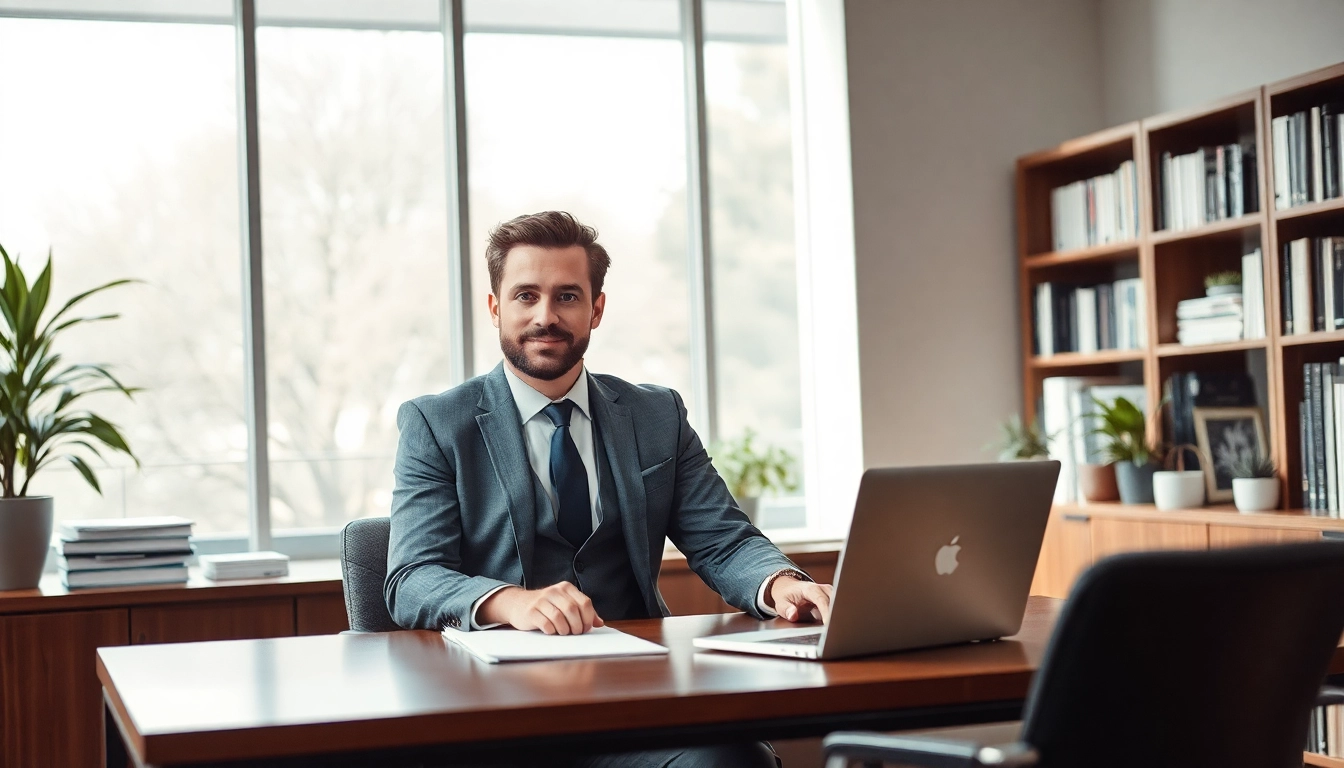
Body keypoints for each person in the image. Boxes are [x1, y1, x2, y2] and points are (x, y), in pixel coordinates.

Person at [386, 210, 832, 767]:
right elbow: (411, 578)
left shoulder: (656, 415)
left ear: (596, 309)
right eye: (526, 296)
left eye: (567, 297)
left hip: (637, 701)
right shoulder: (436, 425)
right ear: (496, 307)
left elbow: (723, 539)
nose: (545, 316)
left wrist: (780, 583)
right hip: (497, 712)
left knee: (734, 758)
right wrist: (510, 602)